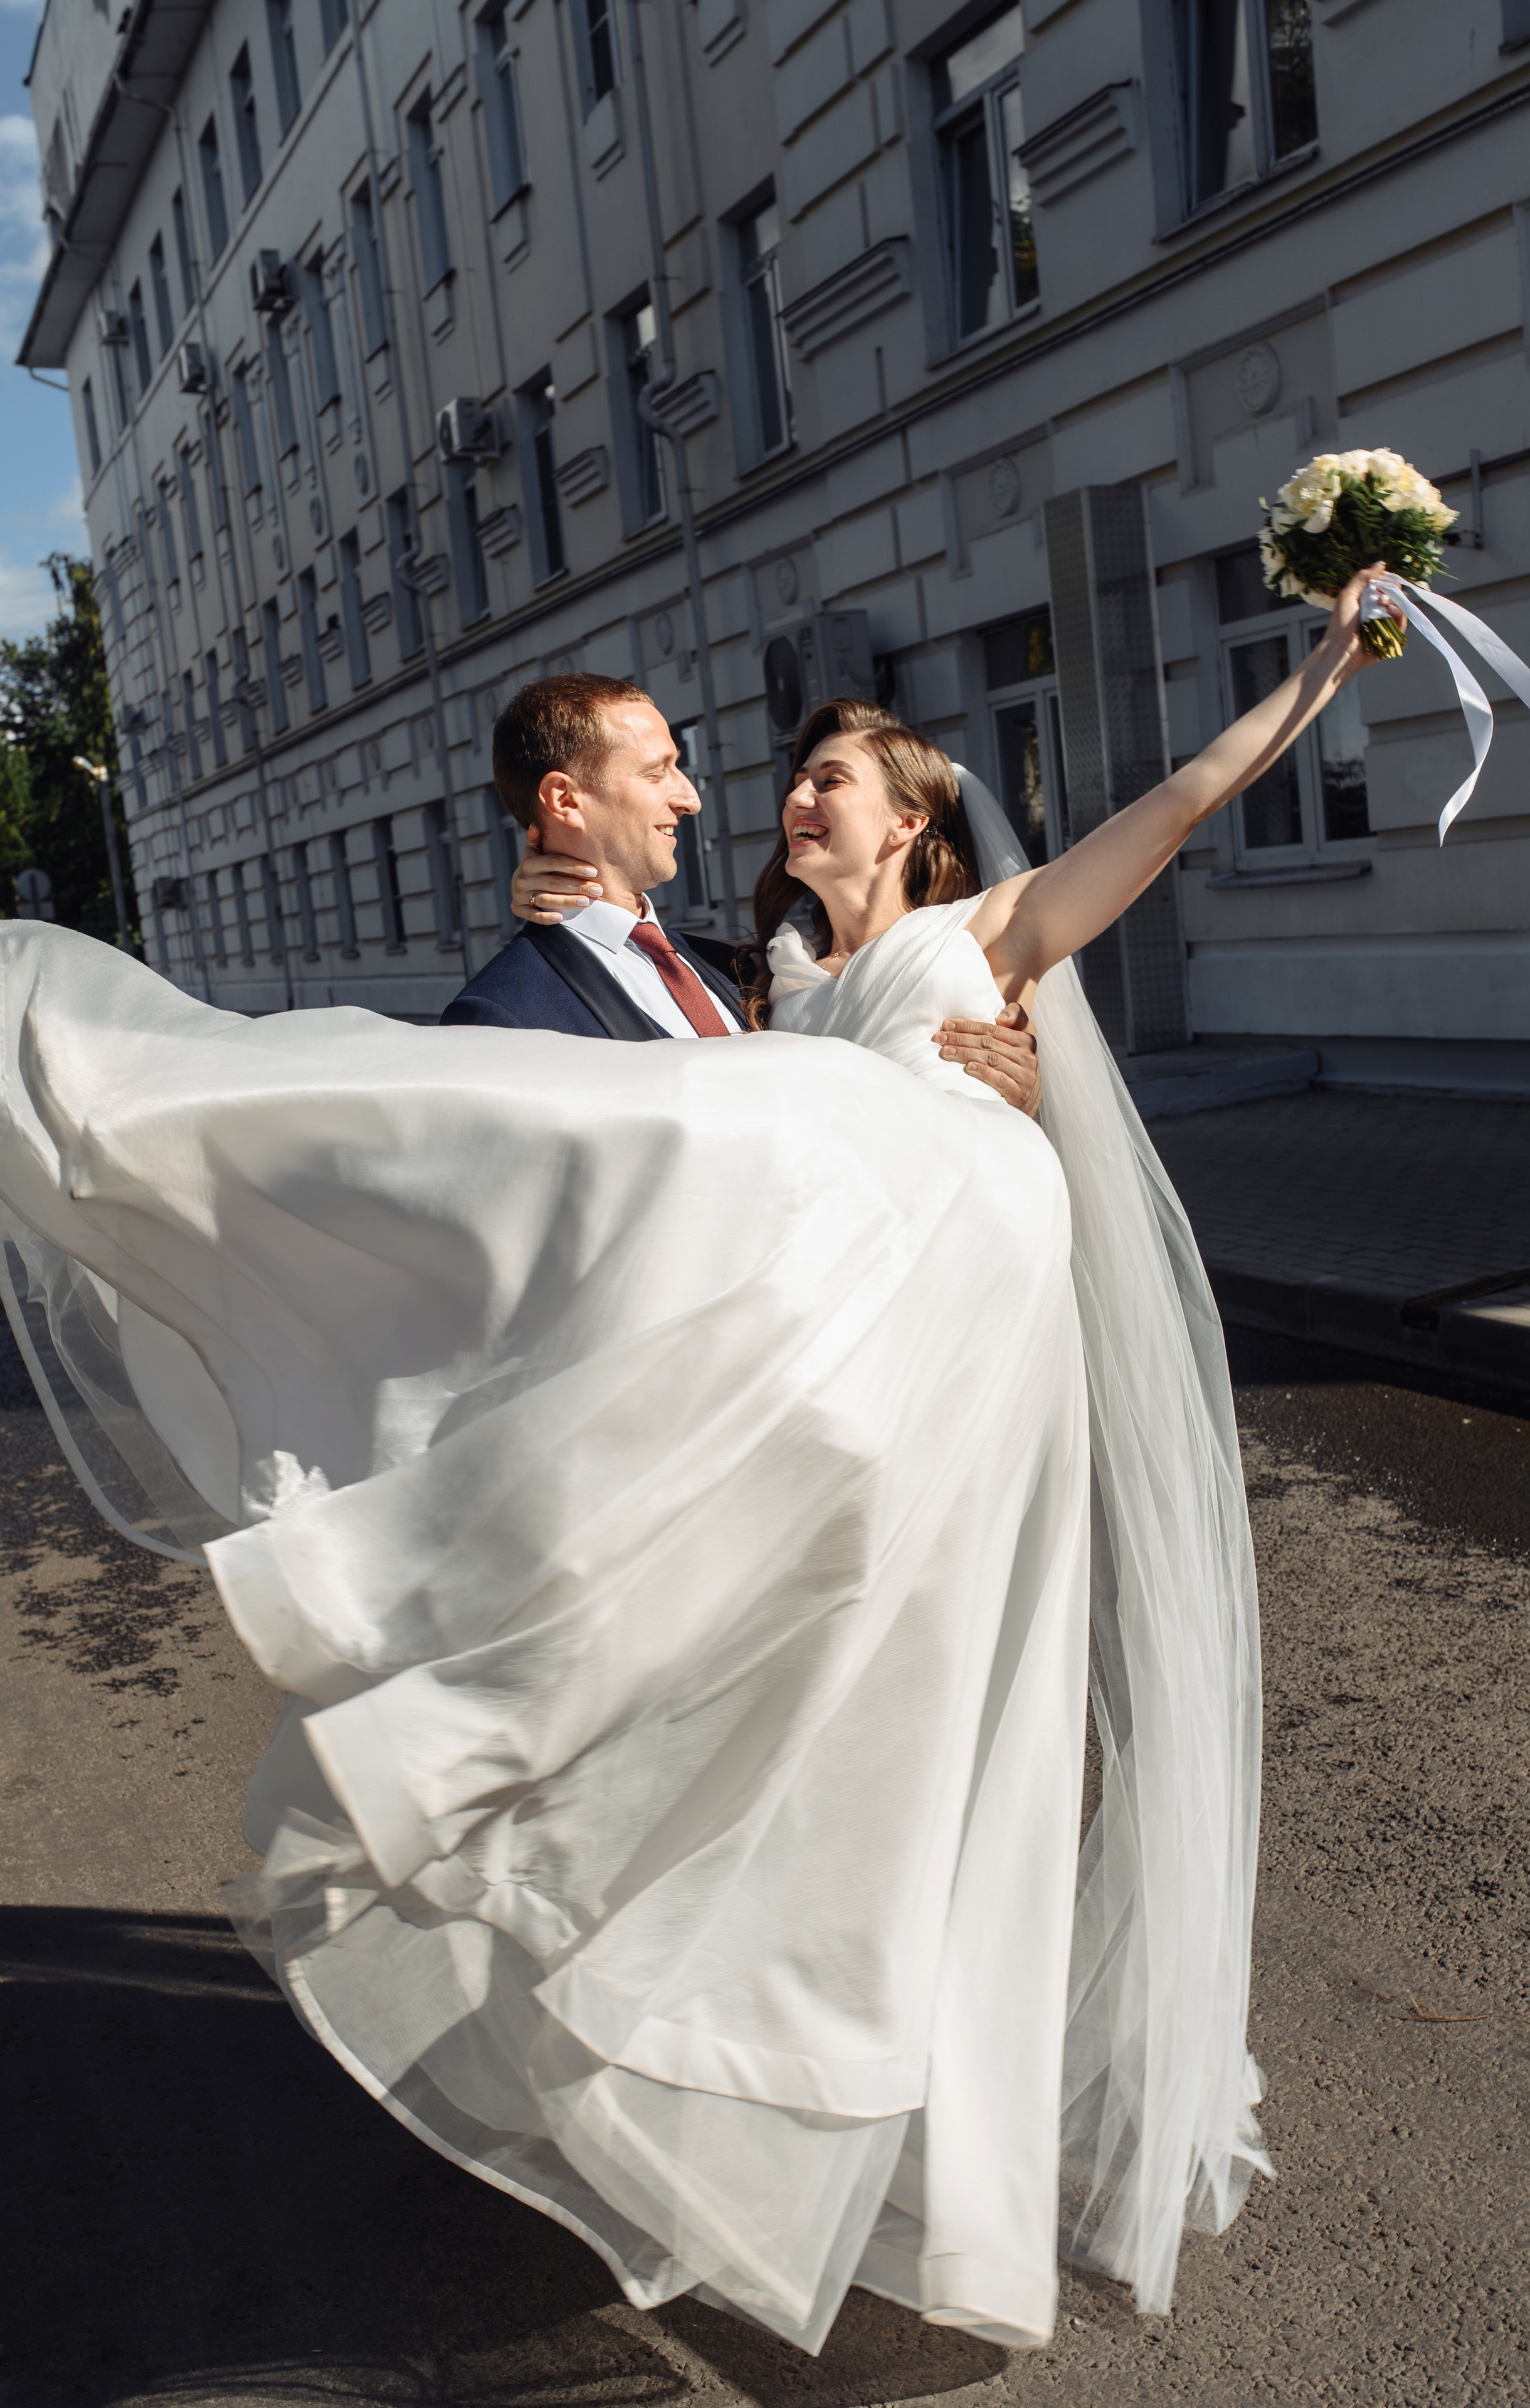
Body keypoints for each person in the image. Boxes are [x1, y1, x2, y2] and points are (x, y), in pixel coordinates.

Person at [0, 566, 1393, 2358]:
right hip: (830, 1348)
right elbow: (678, 1102)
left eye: (831, 780)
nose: (777, 796)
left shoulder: (988, 943)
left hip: (947, 1315)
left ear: (919, 819)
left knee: (921, 1715)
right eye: (777, 777)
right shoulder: (783, 990)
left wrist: (1332, 662)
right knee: (816, 1724)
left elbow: (1190, 798)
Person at [445, 670, 1042, 1112]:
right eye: (657, 772)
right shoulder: (501, 1015)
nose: (690, 799)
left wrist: (993, 1082)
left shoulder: (745, 974)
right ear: (566, 800)